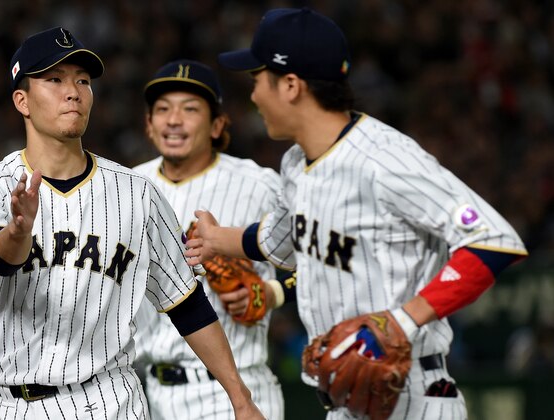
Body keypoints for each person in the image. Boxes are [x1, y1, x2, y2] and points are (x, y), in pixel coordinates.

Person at [184, 7, 528, 420]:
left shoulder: (384, 159)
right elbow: (280, 239)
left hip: (412, 395)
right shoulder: (295, 163)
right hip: (345, 402)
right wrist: (216, 239)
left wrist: (401, 322)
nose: (254, 94)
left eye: (258, 79)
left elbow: (494, 242)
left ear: (290, 85)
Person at [0, 27, 264, 420]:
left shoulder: (137, 192)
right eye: (54, 80)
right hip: (22, 405)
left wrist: (241, 398)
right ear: (22, 100)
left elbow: (187, 304)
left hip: (113, 399)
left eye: (82, 80)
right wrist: (18, 231)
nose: (73, 91)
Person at [132, 59, 289, 419]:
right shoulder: (125, 188)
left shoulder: (259, 184)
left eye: (190, 109)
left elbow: (313, 257)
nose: (174, 120)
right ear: (149, 125)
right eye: (162, 109)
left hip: (235, 392)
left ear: (217, 124)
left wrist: (274, 293)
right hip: (148, 394)